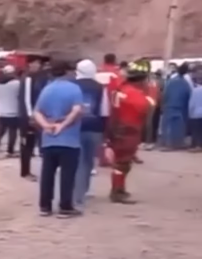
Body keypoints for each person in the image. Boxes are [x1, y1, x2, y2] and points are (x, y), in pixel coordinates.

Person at [33, 59, 84, 218]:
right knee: (67, 175)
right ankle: (65, 206)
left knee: (47, 173)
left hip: (49, 139)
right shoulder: (74, 89)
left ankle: (45, 206)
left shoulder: (47, 89)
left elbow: (37, 112)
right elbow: (76, 110)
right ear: (67, 72)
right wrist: (64, 125)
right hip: (69, 139)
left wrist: (46, 126)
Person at [106, 60, 153, 204]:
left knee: (123, 162)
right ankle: (117, 191)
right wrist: (150, 93)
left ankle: (119, 188)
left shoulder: (121, 89)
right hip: (129, 130)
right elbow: (147, 107)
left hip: (119, 127)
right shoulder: (134, 93)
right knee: (122, 163)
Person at [72, 59, 110, 208]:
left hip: (74, 128)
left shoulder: (72, 86)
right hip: (94, 129)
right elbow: (104, 111)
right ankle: (83, 191)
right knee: (88, 162)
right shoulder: (100, 88)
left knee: (76, 161)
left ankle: (75, 191)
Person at [19, 55, 48, 181]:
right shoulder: (28, 78)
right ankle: (25, 172)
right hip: (28, 117)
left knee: (31, 144)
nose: (38, 65)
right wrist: (30, 115)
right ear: (29, 64)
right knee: (27, 145)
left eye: (39, 63)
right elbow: (26, 98)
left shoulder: (38, 77)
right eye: (35, 63)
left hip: (35, 115)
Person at [159, 63, 192, 150]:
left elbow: (165, 94)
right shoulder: (185, 83)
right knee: (178, 126)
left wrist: (163, 105)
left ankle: (166, 144)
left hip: (169, 106)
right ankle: (177, 143)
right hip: (180, 108)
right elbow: (188, 96)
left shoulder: (171, 82)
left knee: (168, 126)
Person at [0, 65, 20, 159]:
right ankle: (10, 151)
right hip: (13, 111)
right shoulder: (16, 83)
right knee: (12, 132)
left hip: (0, 111)